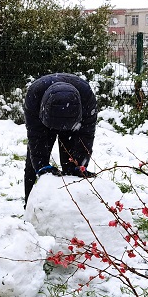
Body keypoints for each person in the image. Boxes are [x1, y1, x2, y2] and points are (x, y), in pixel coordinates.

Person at [23, 73, 98, 203]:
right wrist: (41, 166)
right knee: (33, 165)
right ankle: (29, 204)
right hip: (46, 119)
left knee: (71, 166)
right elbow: (35, 136)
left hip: (72, 121)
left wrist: (79, 164)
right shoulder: (34, 95)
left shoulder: (86, 98)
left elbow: (86, 135)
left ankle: (70, 206)